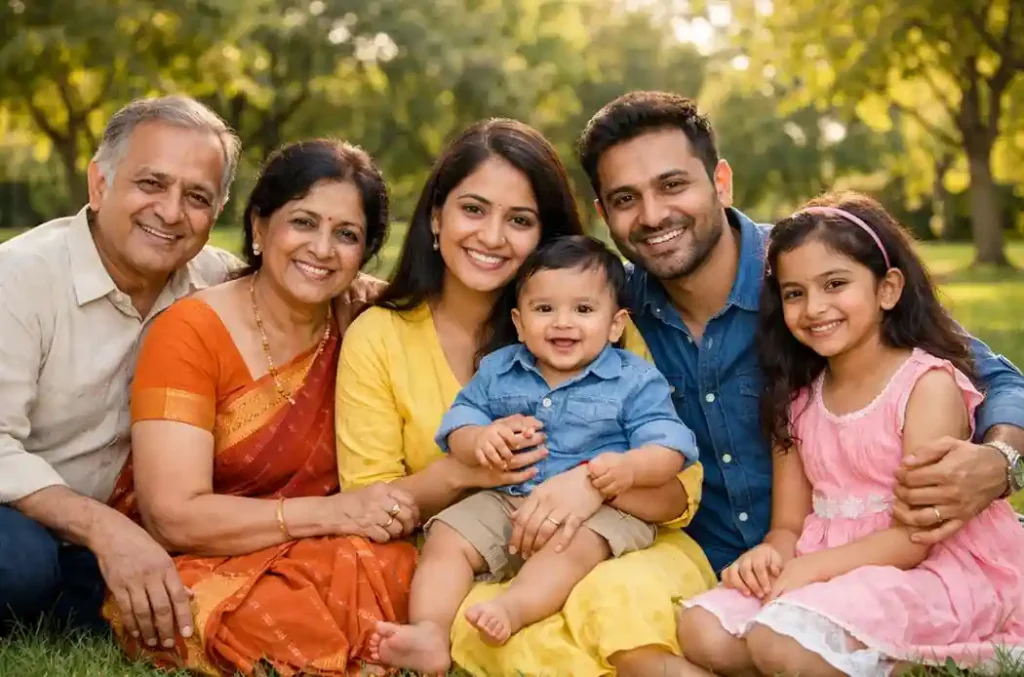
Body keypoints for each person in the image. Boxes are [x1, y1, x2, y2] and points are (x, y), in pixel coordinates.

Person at [575, 90, 1024, 675]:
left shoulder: (805, 268)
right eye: (626, 199)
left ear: (721, 181)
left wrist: (1001, 458)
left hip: (873, 566)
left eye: (673, 185)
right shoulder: (607, 314)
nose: (654, 215)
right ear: (602, 213)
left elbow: (992, 376)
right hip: (740, 571)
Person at [337, 118, 715, 677]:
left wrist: (588, 485)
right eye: (473, 209)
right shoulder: (382, 337)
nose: (492, 236)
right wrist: (473, 465)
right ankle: (433, 637)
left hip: (607, 546)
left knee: (610, 606)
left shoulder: (597, 322)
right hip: (482, 555)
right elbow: (374, 507)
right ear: (436, 217)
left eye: (519, 220)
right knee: (485, 624)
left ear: (545, 237)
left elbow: (678, 490)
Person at [0, 95, 380, 646]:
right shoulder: (20, 280)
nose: (171, 212)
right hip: (26, 509)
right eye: (151, 184)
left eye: (196, 196)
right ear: (100, 184)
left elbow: (294, 275)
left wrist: (357, 289)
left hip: (132, 525)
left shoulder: (212, 277)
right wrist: (102, 529)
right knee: (22, 566)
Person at [101, 138, 419, 675]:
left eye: (346, 235)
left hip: (319, 549)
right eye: (303, 222)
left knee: (402, 562)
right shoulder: (189, 331)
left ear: (362, 256)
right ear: (258, 227)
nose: (321, 249)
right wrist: (327, 513)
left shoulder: (363, 326)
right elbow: (172, 515)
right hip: (199, 555)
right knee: (224, 605)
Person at [676, 192, 1024, 676]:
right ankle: (836, 658)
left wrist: (808, 571)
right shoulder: (797, 398)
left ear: (888, 289)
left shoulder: (925, 386)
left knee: (776, 638)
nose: (814, 308)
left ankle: (899, 659)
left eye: (835, 284)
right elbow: (789, 527)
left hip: (924, 571)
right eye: (795, 293)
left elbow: (915, 538)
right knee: (700, 627)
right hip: (827, 565)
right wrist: (771, 555)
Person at [369, 235, 700, 670]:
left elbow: (673, 446)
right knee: (448, 537)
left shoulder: (634, 380)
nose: (562, 323)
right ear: (520, 322)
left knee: (574, 546)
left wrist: (626, 467)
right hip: (508, 498)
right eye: (544, 309)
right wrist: (480, 440)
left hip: (595, 513)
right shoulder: (500, 368)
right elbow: (460, 423)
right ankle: (430, 631)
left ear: (616, 324)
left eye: (583, 310)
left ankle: (514, 608)